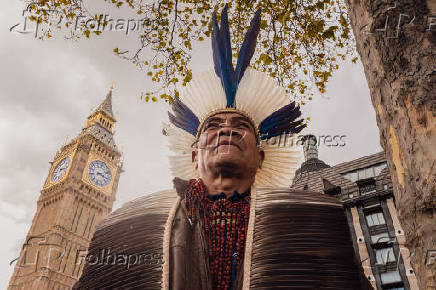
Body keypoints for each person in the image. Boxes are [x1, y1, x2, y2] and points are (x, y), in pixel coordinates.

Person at [73, 6, 372, 290]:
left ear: (261, 156)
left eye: (241, 127)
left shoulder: (315, 219)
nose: (227, 129)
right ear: (194, 155)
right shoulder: (127, 225)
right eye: (213, 127)